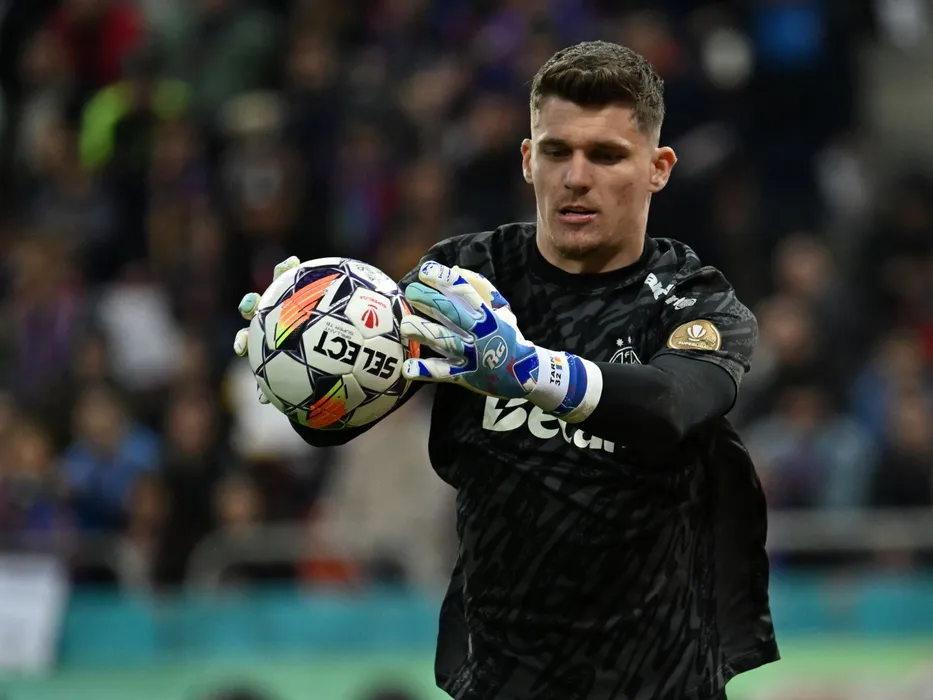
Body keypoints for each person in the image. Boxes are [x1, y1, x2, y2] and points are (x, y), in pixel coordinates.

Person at [233, 41, 778, 700]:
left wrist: (527, 371)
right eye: (556, 152)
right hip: (502, 681)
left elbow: (671, 404)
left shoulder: (693, 298)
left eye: (606, 155)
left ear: (657, 168)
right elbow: (344, 416)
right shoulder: (463, 280)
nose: (576, 178)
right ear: (527, 159)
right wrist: (298, 360)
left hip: (662, 681)